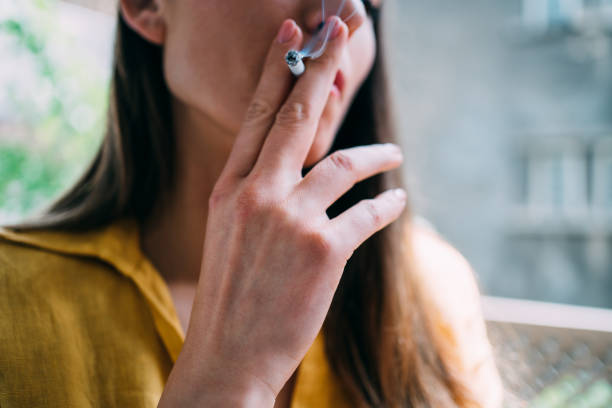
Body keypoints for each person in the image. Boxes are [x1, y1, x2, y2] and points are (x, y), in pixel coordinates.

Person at [0, 0, 503, 406]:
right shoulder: (12, 303)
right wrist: (229, 377)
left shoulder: (432, 288)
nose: (344, 13)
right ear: (145, 6)